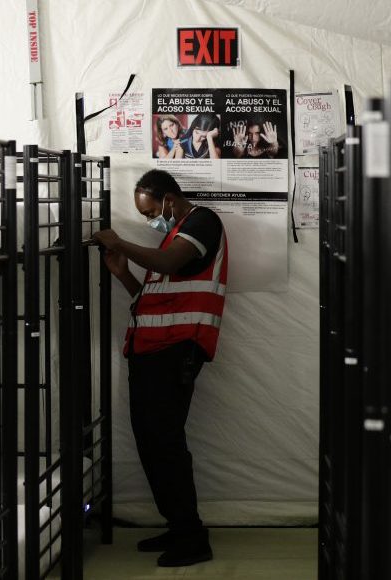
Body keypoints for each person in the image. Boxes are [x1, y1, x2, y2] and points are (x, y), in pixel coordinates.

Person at [91, 169, 228, 568]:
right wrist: (124, 275)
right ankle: (179, 526)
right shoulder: (173, 234)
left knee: (165, 443)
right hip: (154, 351)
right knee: (153, 443)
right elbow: (153, 301)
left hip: (176, 351)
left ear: (169, 199)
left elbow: (170, 262)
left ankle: (191, 536)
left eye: (152, 212)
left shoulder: (202, 221)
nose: (152, 220)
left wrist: (120, 243)